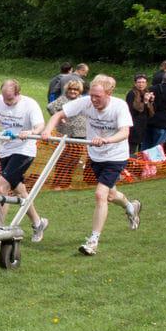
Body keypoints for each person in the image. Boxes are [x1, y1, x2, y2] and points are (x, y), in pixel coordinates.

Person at [32, 74, 141, 256]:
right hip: (95, 155)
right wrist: (47, 130)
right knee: (111, 195)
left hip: (115, 156)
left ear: (109, 93)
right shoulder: (86, 102)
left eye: (97, 96)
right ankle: (131, 207)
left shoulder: (119, 106)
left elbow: (124, 133)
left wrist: (106, 140)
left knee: (100, 195)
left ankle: (93, 241)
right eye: (91, 95)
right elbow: (59, 114)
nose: (93, 100)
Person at [0, 79, 49, 241]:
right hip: (5, 149)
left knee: (1, 187)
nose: (7, 103)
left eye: (10, 99)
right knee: (20, 191)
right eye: (5, 98)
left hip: (24, 150)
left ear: (18, 94)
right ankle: (38, 223)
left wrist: (29, 132)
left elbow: (40, 126)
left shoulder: (30, 105)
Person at [47, 80, 88, 188]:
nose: (73, 91)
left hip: (81, 134)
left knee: (74, 160)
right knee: (62, 160)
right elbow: (50, 107)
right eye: (71, 89)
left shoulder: (83, 100)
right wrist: (59, 118)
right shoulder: (63, 99)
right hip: (65, 134)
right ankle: (57, 184)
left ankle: (67, 183)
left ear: (80, 91)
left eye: (76, 89)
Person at [125, 74, 154, 154]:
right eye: (139, 82)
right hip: (134, 124)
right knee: (132, 147)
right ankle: (129, 163)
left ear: (146, 83)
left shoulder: (146, 92)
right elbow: (132, 111)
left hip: (143, 124)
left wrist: (150, 101)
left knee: (142, 146)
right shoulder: (132, 94)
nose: (141, 84)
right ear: (135, 83)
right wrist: (145, 102)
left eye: (143, 82)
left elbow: (149, 111)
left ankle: (139, 163)